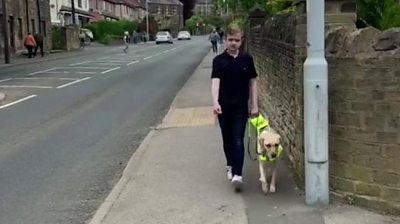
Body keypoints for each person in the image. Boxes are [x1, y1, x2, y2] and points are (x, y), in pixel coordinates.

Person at [211, 23, 258, 192]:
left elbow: (253, 83)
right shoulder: (218, 61)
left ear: (241, 40)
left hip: (240, 107)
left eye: (237, 40)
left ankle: (238, 174)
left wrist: (254, 105)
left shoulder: (247, 59)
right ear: (225, 40)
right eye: (230, 40)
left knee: (238, 138)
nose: (233, 43)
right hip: (224, 108)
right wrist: (215, 102)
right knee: (227, 139)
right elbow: (215, 83)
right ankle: (230, 164)